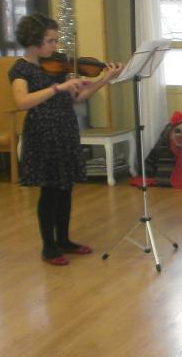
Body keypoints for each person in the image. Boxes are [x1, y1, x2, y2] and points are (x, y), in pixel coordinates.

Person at [9, 15, 122, 266]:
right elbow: (22, 102)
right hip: (43, 133)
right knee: (50, 191)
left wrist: (104, 79)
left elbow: (78, 96)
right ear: (33, 42)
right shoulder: (21, 69)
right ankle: (48, 247)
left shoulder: (56, 66)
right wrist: (58, 88)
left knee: (66, 188)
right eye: (50, 41)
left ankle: (64, 240)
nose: (55, 46)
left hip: (65, 129)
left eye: (55, 40)